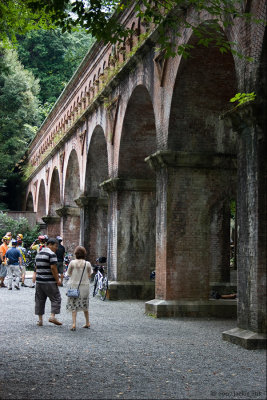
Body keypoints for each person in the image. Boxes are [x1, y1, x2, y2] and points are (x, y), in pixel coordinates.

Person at [35, 237, 62, 326]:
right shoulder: (52, 254)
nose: (56, 248)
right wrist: (57, 280)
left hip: (39, 281)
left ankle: (40, 320)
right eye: (55, 246)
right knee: (56, 298)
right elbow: (53, 267)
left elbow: (36, 268)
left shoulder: (38, 254)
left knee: (39, 300)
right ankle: (52, 316)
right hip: (49, 281)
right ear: (49, 245)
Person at [66, 246, 92, 331]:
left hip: (74, 286)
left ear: (76, 254)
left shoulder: (72, 263)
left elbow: (69, 273)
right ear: (84, 254)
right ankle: (87, 322)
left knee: (74, 305)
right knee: (85, 304)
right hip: (84, 286)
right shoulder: (87, 263)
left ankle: (74, 324)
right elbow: (90, 274)